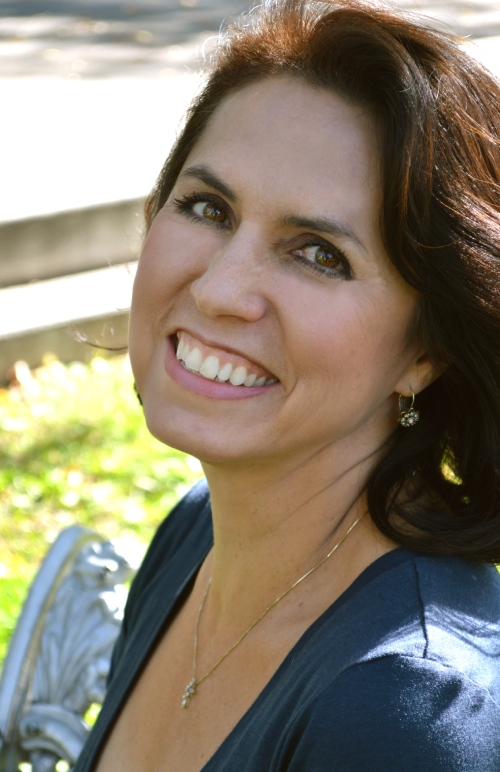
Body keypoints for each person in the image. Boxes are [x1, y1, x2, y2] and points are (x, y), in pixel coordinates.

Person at [75, 0, 500, 769]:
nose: (220, 290)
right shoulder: (195, 535)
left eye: (319, 255)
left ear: (427, 352)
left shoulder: (404, 716)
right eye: (209, 208)